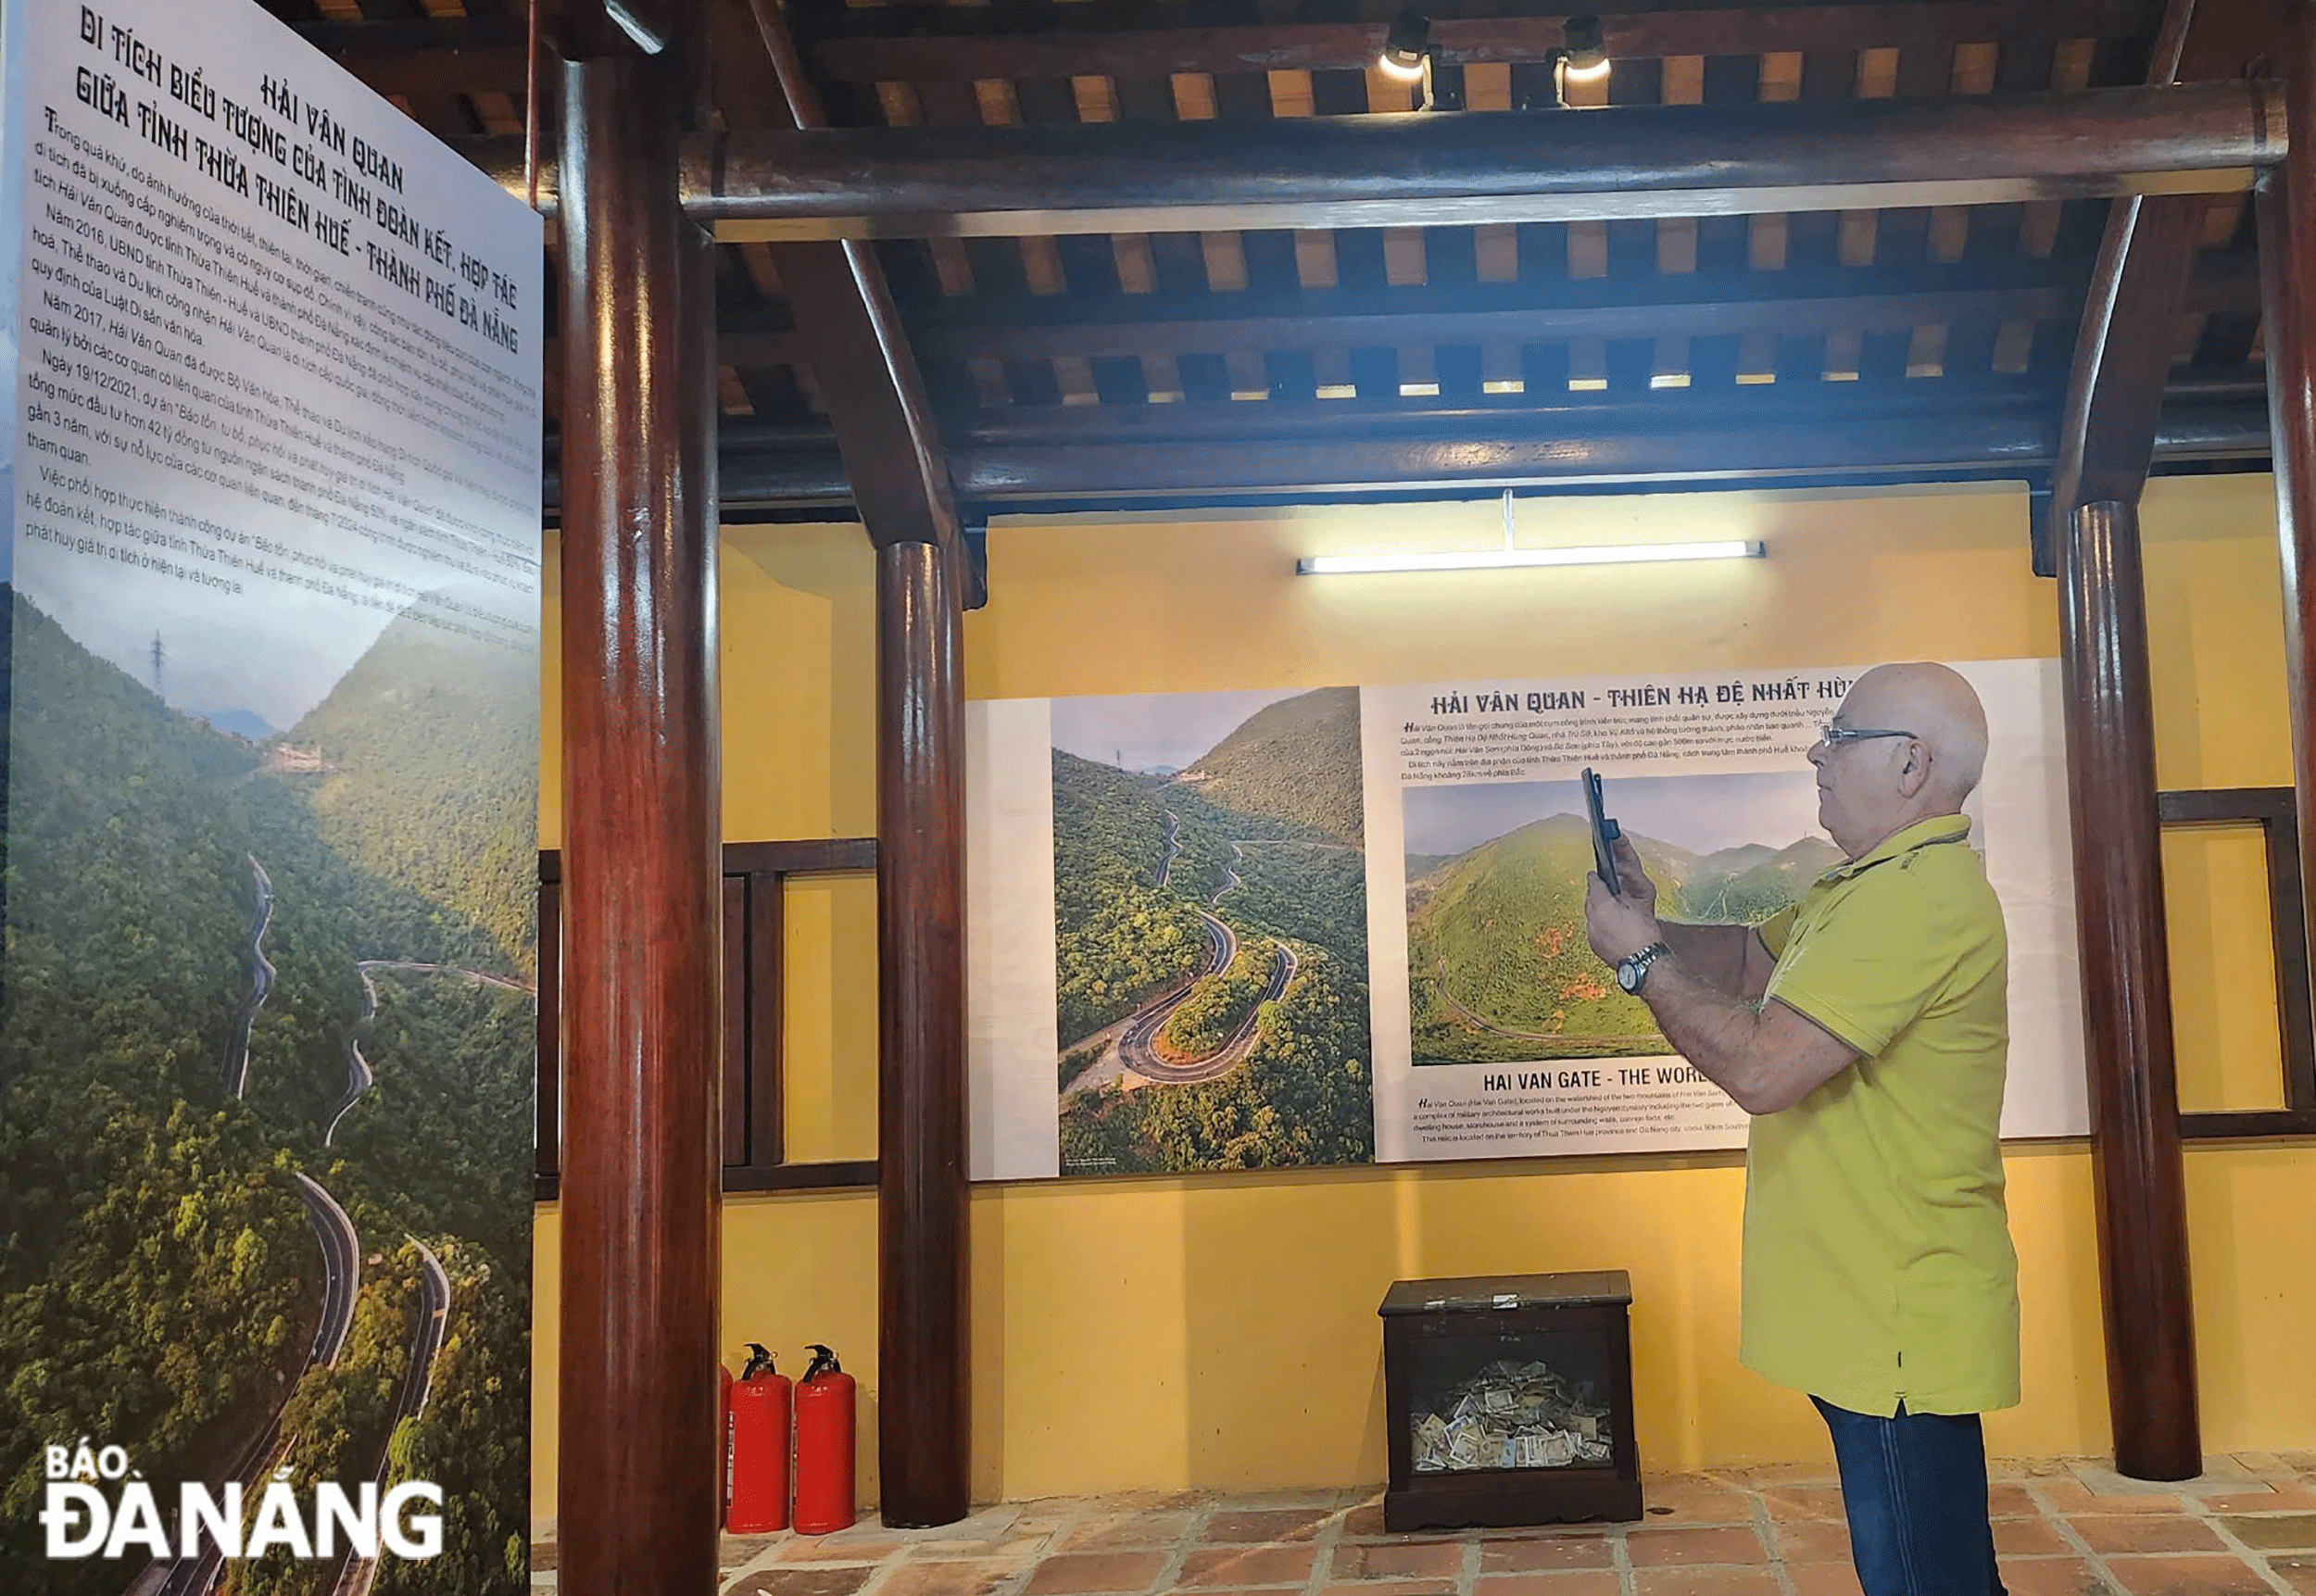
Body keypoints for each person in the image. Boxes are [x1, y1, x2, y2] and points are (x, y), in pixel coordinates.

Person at [1580, 661, 2018, 1596]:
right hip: (1865, 1308)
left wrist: (1638, 964)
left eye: (1839, 733)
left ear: (1910, 764)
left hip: (1892, 1316)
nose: (1816, 750)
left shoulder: (1918, 898)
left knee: (1922, 1578)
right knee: (1930, 1567)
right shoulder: (1861, 885)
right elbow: (1747, 958)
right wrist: (1648, 919)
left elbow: (1763, 1066)